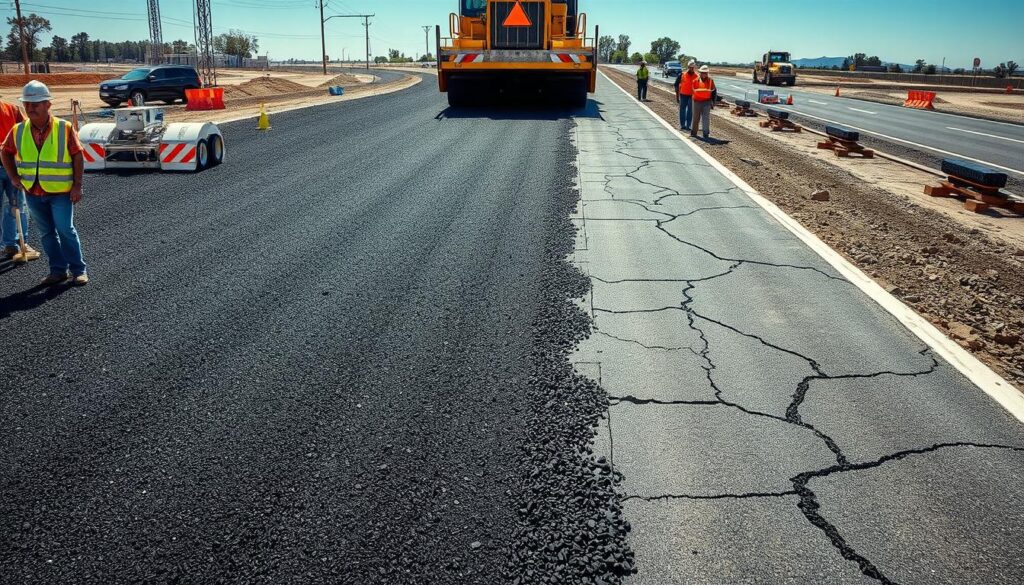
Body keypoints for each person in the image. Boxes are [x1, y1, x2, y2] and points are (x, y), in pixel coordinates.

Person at [0, 81, 88, 286]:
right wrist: (14, 177)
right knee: (47, 233)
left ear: (48, 104)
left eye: (36, 103)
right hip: (33, 192)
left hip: (61, 192)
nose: (31, 108)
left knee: (65, 229)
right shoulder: (18, 130)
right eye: (28, 104)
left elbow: (77, 155)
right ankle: (58, 271)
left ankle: (78, 270)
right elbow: (5, 152)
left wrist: (77, 185)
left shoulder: (63, 128)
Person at [0, 93, 40, 263]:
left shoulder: (12, 109)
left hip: (13, 166)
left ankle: (15, 243)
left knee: (18, 206)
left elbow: (27, 131)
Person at [690, 65, 717, 139]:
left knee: (706, 118)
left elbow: (714, 92)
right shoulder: (695, 81)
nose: (704, 74)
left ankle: (705, 133)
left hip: (706, 102)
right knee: (696, 118)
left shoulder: (711, 81)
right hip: (697, 102)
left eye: (706, 73)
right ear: (700, 73)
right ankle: (694, 132)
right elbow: (692, 91)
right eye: (703, 72)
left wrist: (713, 102)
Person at [673, 60, 698, 131]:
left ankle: (688, 125)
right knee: (682, 110)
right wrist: (677, 96)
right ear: (688, 67)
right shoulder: (682, 74)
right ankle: (682, 125)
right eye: (690, 67)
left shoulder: (697, 76)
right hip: (683, 95)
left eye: (693, 67)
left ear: (694, 68)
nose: (691, 69)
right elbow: (676, 85)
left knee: (690, 111)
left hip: (692, 96)